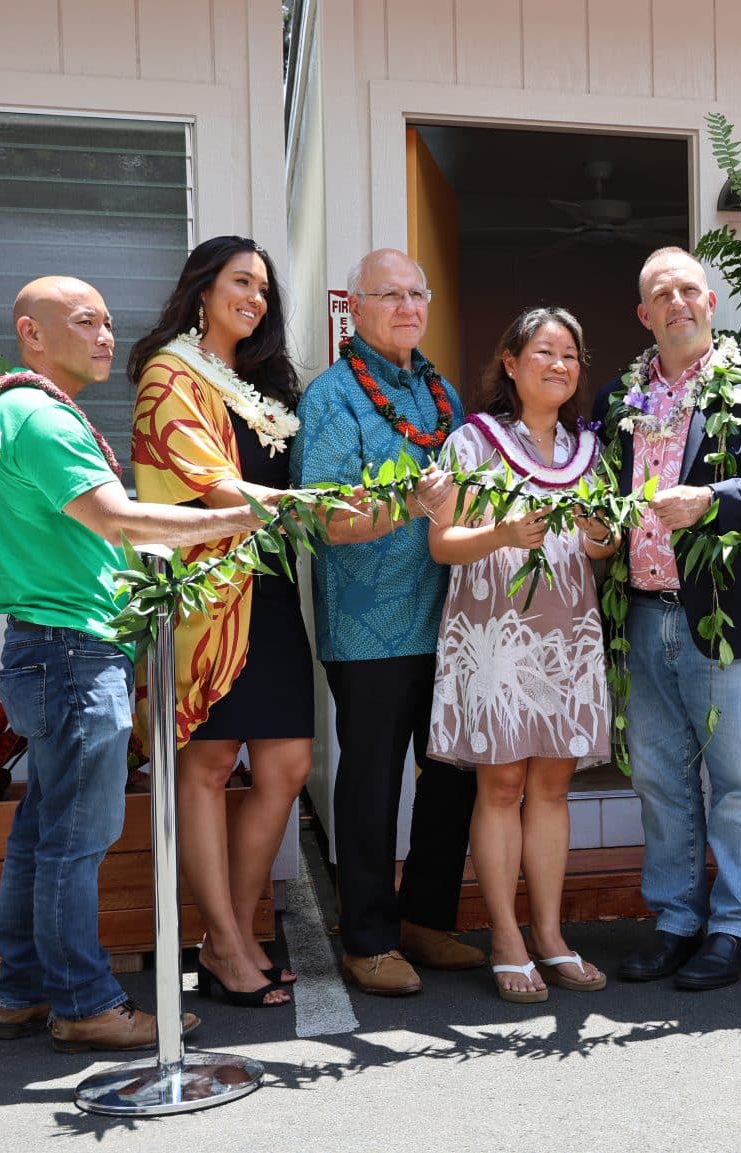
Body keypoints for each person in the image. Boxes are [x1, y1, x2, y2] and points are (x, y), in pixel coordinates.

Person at [0, 276, 267, 1049]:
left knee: (43, 827)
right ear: (31, 332)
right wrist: (243, 512)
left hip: (53, 647)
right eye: (84, 321)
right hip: (73, 650)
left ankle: (27, 988)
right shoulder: (41, 416)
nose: (106, 335)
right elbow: (114, 518)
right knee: (76, 836)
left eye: (109, 321)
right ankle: (82, 1002)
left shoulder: (26, 411)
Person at [596, 247, 741, 991]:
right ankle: (676, 920)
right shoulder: (617, 398)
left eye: (689, 288)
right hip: (643, 611)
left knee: (738, 780)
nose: (677, 302)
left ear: (711, 301)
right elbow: (602, 491)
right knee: (659, 778)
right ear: (644, 313)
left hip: (732, 620)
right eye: (661, 293)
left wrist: (709, 501)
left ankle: (732, 928)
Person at [290, 248, 482, 996]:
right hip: (370, 623)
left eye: (415, 294)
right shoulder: (332, 397)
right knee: (371, 781)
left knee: (452, 773)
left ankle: (426, 919)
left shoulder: (443, 395)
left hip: (450, 616)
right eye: (388, 295)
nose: (406, 307)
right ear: (355, 306)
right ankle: (367, 937)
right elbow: (325, 520)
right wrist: (411, 503)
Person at [129, 236, 307, 1008]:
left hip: (266, 583)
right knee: (207, 765)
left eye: (263, 288)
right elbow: (217, 488)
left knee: (287, 765)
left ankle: (227, 930)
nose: (256, 298)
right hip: (203, 589)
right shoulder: (169, 373)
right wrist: (317, 508)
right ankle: (231, 944)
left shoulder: (257, 384)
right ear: (201, 287)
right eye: (241, 282)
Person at [427, 307, 618, 1002]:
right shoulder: (471, 443)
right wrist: (501, 532)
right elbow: (441, 543)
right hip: (498, 629)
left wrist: (603, 532)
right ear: (510, 362)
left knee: (553, 788)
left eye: (571, 354)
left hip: (567, 629)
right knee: (501, 785)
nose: (560, 364)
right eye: (545, 351)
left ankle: (550, 932)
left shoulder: (590, 451)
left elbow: (602, 548)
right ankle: (505, 936)